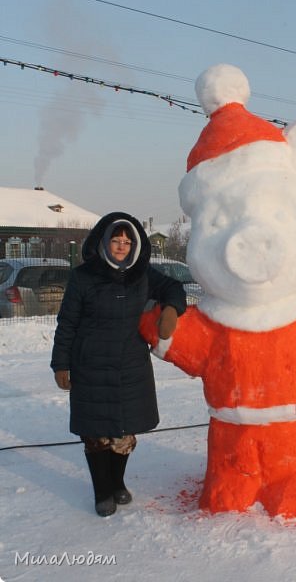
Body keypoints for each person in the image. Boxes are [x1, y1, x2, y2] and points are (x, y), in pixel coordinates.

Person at [50, 212, 186, 517]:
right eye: (116, 239)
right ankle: (102, 492)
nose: (122, 246)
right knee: (96, 433)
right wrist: (61, 364)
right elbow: (67, 322)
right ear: (104, 241)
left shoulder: (142, 274)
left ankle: (118, 482)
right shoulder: (83, 277)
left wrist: (171, 311)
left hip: (130, 364)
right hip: (90, 364)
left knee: (124, 433)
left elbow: (175, 289)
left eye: (127, 241)